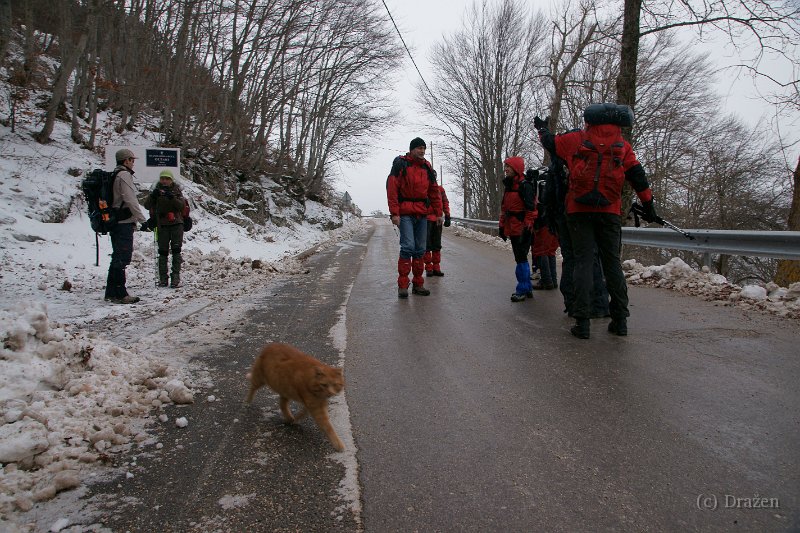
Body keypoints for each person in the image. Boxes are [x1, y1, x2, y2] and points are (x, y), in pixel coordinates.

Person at [535, 103, 658, 338]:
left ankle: (582, 323)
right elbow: (638, 177)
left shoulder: (576, 139)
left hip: (578, 210)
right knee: (612, 264)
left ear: (589, 121)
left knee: (582, 262)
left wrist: (542, 129)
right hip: (609, 212)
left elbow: (551, 144)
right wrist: (648, 205)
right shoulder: (622, 145)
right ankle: (620, 320)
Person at [387, 137, 443, 298]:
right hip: (405, 213)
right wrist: (394, 213)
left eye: (424, 148)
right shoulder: (401, 164)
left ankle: (418, 284)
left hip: (422, 213)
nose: (422, 151)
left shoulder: (426, 167)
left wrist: (438, 213)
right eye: (419, 148)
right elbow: (392, 188)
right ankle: (403, 285)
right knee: (408, 247)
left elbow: (434, 191)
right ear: (411, 149)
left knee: (420, 249)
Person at [104, 148, 147, 304]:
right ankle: (121, 293)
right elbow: (130, 200)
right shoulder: (124, 175)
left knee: (117, 256)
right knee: (122, 257)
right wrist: (143, 220)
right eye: (132, 160)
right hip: (123, 222)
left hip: (115, 221)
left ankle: (110, 291)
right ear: (126, 160)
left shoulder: (114, 174)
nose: (133, 163)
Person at [498, 156, 537, 302]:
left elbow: (531, 208)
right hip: (513, 227)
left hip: (522, 228)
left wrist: (527, 226)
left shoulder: (524, 186)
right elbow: (504, 209)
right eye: (505, 166)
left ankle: (522, 289)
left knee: (520, 258)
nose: (506, 169)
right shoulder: (509, 186)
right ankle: (526, 288)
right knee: (520, 258)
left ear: (516, 168)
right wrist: (502, 226)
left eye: (508, 166)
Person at [143, 169, 187, 288]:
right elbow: (147, 205)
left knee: (176, 250)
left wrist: (172, 197)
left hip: (176, 223)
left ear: (171, 180)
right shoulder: (155, 191)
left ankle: (175, 277)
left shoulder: (177, 191)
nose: (164, 181)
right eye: (163, 178)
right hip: (161, 224)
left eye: (167, 178)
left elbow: (181, 206)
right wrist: (153, 196)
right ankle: (163, 278)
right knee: (162, 252)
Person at [424, 183, 451, 276]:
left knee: (436, 244)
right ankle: (428, 268)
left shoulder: (440, 189)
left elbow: (445, 202)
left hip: (437, 220)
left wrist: (447, 215)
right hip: (425, 220)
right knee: (426, 245)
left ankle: (436, 267)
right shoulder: (422, 188)